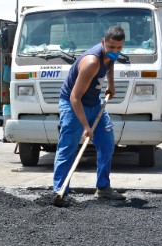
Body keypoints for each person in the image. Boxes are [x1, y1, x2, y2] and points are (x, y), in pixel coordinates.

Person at [53, 26, 126, 200]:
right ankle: (60, 191)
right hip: (73, 105)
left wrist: (111, 85)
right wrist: (86, 126)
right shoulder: (91, 62)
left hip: (95, 103)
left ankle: (103, 188)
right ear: (103, 42)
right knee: (68, 147)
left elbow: (110, 65)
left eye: (119, 48)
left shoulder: (111, 54)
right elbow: (74, 97)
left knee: (107, 144)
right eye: (111, 48)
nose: (115, 52)